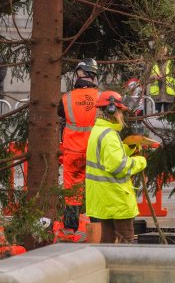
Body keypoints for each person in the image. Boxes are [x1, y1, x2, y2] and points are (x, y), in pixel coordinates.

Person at [85, 91, 147, 243]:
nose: (122, 115)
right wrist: (140, 161)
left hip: (104, 198)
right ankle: (124, 267)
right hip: (115, 198)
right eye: (120, 111)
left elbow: (107, 159)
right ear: (112, 111)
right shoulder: (109, 135)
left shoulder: (99, 131)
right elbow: (118, 166)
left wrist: (129, 148)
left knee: (107, 239)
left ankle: (107, 265)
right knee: (126, 239)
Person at [57, 58, 99, 227]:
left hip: (73, 153)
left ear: (78, 74)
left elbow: (61, 114)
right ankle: (97, 228)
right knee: (96, 189)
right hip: (93, 153)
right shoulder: (101, 98)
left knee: (72, 193)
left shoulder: (66, 98)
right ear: (94, 76)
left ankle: (71, 229)